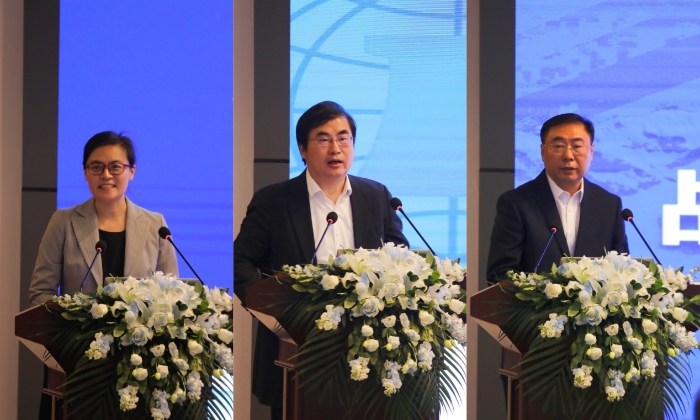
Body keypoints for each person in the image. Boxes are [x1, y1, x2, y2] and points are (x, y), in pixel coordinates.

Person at [234, 101, 408, 418]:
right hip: (295, 348)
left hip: (368, 349)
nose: (335, 148)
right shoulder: (273, 201)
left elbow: (400, 257)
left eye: (343, 138)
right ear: (302, 149)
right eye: (323, 139)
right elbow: (241, 262)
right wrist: (272, 313)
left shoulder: (376, 196)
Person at [28, 131, 179, 419]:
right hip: (78, 362)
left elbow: (170, 295)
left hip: (138, 362)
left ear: (131, 171)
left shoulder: (155, 224)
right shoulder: (64, 221)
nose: (106, 175)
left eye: (115, 166)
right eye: (96, 166)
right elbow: (41, 292)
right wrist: (64, 339)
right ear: (86, 172)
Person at [487, 113, 629, 284]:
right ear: (543, 152)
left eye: (577, 146)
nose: (568, 155)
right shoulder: (516, 203)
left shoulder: (609, 205)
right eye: (559, 146)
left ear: (591, 152)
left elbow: (623, 271)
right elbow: (500, 274)